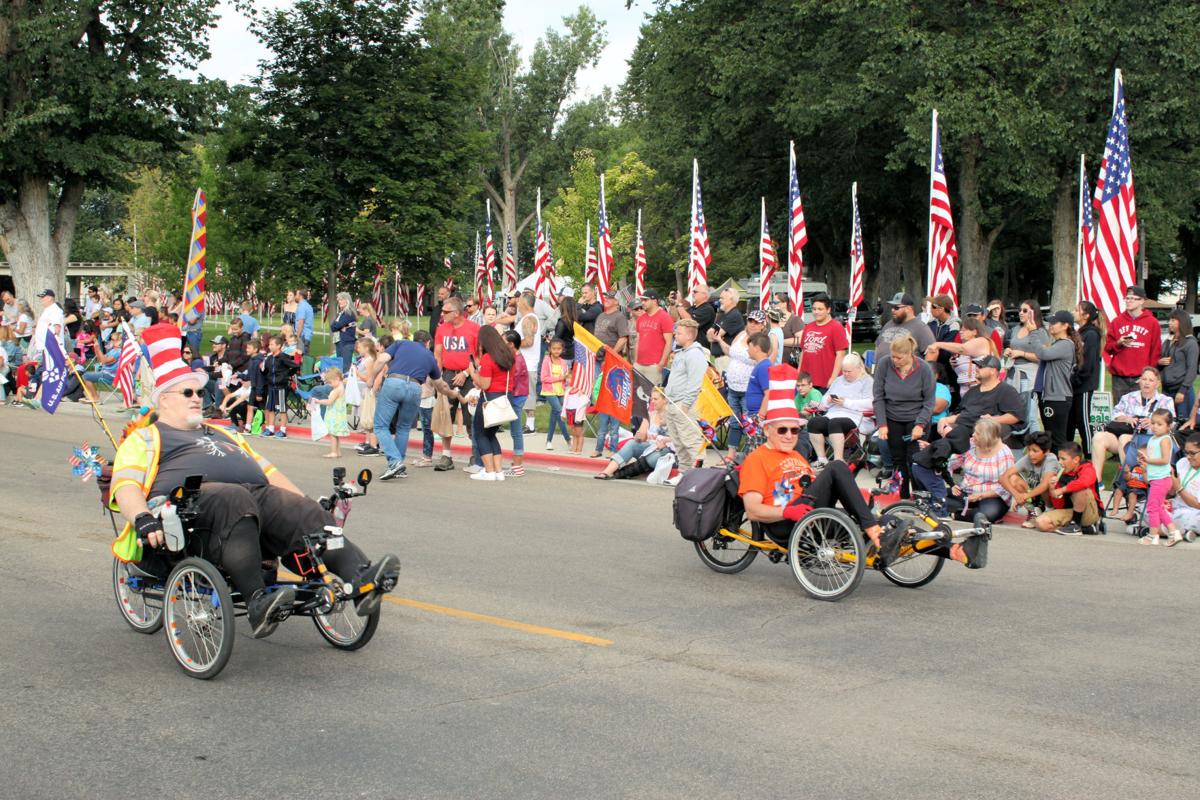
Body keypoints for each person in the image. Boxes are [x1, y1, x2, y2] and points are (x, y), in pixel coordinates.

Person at [109, 323, 399, 638]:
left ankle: (362, 580)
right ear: (164, 400)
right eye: (188, 392)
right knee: (237, 498)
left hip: (252, 497)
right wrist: (141, 518)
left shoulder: (223, 433)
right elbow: (125, 485)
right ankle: (258, 602)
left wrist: (303, 502)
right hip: (193, 510)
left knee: (305, 512)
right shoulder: (146, 437)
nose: (197, 398)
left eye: (199, 391)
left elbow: (269, 472)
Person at [738, 379, 910, 564]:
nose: (789, 435)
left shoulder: (795, 455)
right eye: (782, 430)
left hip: (813, 513)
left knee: (887, 521)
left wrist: (847, 474)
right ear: (767, 429)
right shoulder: (756, 459)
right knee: (836, 466)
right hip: (786, 522)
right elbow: (753, 511)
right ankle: (872, 529)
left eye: (795, 430)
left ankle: (942, 546)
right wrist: (787, 512)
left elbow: (816, 487)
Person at [912, 355, 1024, 508]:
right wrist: (946, 420)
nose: (976, 369)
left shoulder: (1006, 390)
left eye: (981, 366)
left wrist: (994, 420)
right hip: (961, 428)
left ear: (993, 371)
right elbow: (963, 414)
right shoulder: (973, 391)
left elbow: (1015, 416)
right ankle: (930, 485)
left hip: (981, 432)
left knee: (952, 439)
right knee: (929, 438)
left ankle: (941, 488)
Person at [372, 332, 445, 481]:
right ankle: (398, 466)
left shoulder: (401, 343)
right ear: (428, 343)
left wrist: (372, 378)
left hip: (394, 382)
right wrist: (450, 393)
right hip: (415, 387)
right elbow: (439, 383)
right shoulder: (430, 356)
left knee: (380, 426)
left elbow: (381, 359)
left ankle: (395, 461)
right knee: (403, 427)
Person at [1091, 366, 1173, 493]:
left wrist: (1152, 422)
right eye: (1144, 379)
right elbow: (1115, 414)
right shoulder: (1128, 397)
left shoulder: (1165, 400)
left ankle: (1129, 480)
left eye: (1151, 380)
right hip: (1127, 433)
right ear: (1139, 381)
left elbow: (1171, 424)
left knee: (1125, 439)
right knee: (1099, 437)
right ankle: (1097, 482)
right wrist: (1127, 419)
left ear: (1157, 383)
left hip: (1149, 440)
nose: (1146, 382)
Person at [1006, 310, 1079, 452]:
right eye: (1050, 322)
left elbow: (1042, 354)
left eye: (1055, 323)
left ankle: (1061, 468)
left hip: (1057, 397)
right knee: (1051, 437)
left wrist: (1033, 332)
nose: (1051, 325)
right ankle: (1054, 468)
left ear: (1065, 326)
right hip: (1051, 396)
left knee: (1056, 438)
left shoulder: (1065, 344)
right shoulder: (1058, 343)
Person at [873, 333, 936, 498]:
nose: (895, 361)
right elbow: (878, 397)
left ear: (910, 354)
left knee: (914, 459)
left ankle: (919, 495)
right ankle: (903, 494)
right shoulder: (884, 364)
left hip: (916, 417)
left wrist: (920, 424)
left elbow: (929, 401)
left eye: (899, 358)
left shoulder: (924, 369)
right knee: (898, 459)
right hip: (893, 417)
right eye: (893, 356)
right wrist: (882, 424)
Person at [924, 417, 1015, 523]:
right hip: (966, 492)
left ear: (986, 437)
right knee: (931, 496)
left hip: (991, 496)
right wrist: (935, 453)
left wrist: (980, 496)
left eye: (977, 433)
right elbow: (952, 463)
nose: (973, 435)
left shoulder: (1004, 453)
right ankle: (965, 511)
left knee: (987, 513)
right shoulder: (971, 444)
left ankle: (956, 514)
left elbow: (1005, 487)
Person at [433, 296, 482, 471]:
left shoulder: (474, 329)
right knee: (446, 414)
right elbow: (438, 354)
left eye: (446, 312)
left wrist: (466, 373)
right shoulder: (441, 329)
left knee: (471, 415)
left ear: (456, 313)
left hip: (468, 376)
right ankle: (446, 455)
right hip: (447, 374)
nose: (442, 314)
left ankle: (475, 455)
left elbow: (478, 358)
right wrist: (437, 377)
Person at [660, 318, 710, 485]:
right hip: (673, 402)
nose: (675, 335)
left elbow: (695, 382)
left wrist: (686, 405)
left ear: (689, 336)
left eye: (679, 332)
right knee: (679, 442)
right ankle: (684, 473)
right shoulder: (682, 353)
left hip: (685, 404)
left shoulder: (695, 354)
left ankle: (697, 476)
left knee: (691, 441)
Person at [713, 309, 767, 457]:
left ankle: (751, 454)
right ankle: (731, 455)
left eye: (757, 322)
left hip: (748, 389)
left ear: (763, 325)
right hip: (733, 386)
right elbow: (730, 352)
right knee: (734, 422)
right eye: (750, 321)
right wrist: (719, 340)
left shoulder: (762, 340)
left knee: (749, 423)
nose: (753, 325)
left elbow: (763, 361)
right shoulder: (741, 334)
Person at [462, 325, 513, 481]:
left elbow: (484, 384)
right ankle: (498, 471)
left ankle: (489, 471)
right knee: (492, 434)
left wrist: (473, 373)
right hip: (504, 397)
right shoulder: (508, 356)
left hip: (489, 398)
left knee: (481, 434)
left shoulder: (488, 358)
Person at [807, 352, 873, 466]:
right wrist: (828, 400)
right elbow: (824, 401)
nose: (845, 374)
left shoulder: (867, 381)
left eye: (849, 371)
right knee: (814, 422)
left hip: (856, 417)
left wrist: (846, 402)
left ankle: (838, 460)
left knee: (835, 423)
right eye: (844, 371)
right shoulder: (839, 380)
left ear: (858, 368)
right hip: (834, 413)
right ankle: (822, 458)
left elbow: (871, 404)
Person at [595, 389, 673, 480]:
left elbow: (678, 439)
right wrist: (639, 436)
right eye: (651, 399)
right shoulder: (650, 415)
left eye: (655, 399)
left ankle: (619, 474)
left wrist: (665, 441)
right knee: (632, 443)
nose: (652, 402)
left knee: (652, 458)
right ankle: (607, 472)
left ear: (665, 400)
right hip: (650, 447)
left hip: (666, 450)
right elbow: (641, 436)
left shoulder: (673, 416)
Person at [1104, 285, 1163, 401]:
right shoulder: (1117, 321)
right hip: (1119, 377)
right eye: (1127, 298)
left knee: (1140, 411)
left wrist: (1148, 375)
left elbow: (1155, 351)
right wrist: (1119, 343)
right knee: (1120, 411)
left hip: (1141, 377)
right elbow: (1108, 348)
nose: (1129, 301)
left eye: (1132, 298)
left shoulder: (1152, 322)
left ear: (1142, 301)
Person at [1136, 408, 1185, 546]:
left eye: (1159, 424)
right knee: (1158, 508)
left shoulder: (1165, 440)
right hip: (1156, 478)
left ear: (1168, 426)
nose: (1155, 427)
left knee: (1152, 507)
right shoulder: (1153, 439)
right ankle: (1174, 532)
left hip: (1162, 479)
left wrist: (1148, 460)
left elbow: (1164, 460)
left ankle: (1153, 535)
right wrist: (1145, 461)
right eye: (1153, 423)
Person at [1034, 441, 1102, 535]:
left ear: (1076, 460)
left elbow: (1083, 483)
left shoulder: (1087, 468)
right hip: (1071, 511)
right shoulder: (1061, 474)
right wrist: (1052, 489)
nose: (1059, 462)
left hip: (1090, 513)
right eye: (1059, 458)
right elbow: (1059, 506)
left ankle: (1076, 525)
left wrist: (1061, 490)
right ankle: (1085, 529)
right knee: (1041, 523)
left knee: (1079, 488)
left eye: (1063, 459)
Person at [1000, 431, 1060, 529]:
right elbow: (1003, 477)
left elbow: (1044, 485)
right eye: (1029, 450)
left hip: (1050, 496)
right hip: (1034, 496)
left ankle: (1049, 510)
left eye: (1035, 451)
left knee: (1047, 481)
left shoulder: (1051, 459)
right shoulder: (1028, 458)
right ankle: (1033, 512)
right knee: (1013, 479)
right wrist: (1017, 495)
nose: (1031, 454)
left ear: (1046, 451)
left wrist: (1024, 497)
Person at [1067, 300, 1104, 459]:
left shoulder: (1091, 334)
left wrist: (1077, 379)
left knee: (1083, 421)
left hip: (1083, 385)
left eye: (1077, 310)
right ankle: (1068, 452)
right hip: (1074, 384)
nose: (1074, 312)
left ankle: (1090, 454)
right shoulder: (1079, 332)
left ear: (1086, 315)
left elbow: (1087, 362)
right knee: (1070, 420)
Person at [1005, 300, 1049, 432]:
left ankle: (1036, 444)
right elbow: (1012, 347)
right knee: (1013, 410)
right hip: (1013, 373)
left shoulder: (1040, 332)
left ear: (1033, 313)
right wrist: (1008, 352)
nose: (1021, 313)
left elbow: (1043, 356)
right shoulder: (1016, 329)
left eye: (1025, 310)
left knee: (1030, 413)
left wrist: (1022, 353)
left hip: (1030, 374)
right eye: (1020, 310)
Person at [927, 316, 997, 394]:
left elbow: (962, 349)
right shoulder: (964, 348)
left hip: (979, 388)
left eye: (964, 330)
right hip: (965, 390)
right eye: (961, 329)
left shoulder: (982, 341)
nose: (960, 332)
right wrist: (954, 365)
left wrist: (938, 344)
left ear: (974, 332)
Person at [793, 293, 848, 392]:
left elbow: (840, 355)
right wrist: (799, 372)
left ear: (828, 310)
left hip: (825, 382)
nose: (816, 312)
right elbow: (803, 352)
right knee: (804, 407)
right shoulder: (808, 327)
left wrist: (833, 378)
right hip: (806, 382)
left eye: (820, 309)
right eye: (814, 309)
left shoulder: (836, 327)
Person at [873, 292, 935, 365]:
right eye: (892, 307)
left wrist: (925, 373)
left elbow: (932, 352)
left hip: (905, 374)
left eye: (896, 308)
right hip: (882, 372)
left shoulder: (921, 328)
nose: (892, 310)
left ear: (908, 308)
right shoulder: (889, 324)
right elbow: (878, 345)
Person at [1159, 308, 1198, 421]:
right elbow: (1160, 362)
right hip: (1166, 390)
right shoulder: (1167, 341)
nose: (1169, 323)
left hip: (1181, 390)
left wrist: (1183, 390)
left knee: (1182, 423)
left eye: (1173, 320)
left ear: (1182, 321)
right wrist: (1159, 362)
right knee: (1166, 422)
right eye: (1169, 320)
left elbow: (1192, 369)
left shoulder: (1190, 343)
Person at [501, 330, 530, 477]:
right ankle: (516, 463)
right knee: (514, 431)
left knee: (516, 431)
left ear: (511, 344)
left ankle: (518, 466)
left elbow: (510, 381)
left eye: (504, 342)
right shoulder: (515, 357)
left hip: (517, 397)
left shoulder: (517, 360)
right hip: (517, 395)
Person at [259, 336, 298, 438]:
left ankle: (283, 430)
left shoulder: (283, 356)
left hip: (281, 386)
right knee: (270, 408)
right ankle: (270, 429)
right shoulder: (269, 358)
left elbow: (296, 366)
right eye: (269, 344)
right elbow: (266, 371)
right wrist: (262, 370)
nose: (270, 346)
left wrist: (286, 374)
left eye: (272, 344)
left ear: (279, 346)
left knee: (282, 408)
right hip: (271, 386)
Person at [633, 290, 674, 385]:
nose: (642, 303)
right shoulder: (640, 319)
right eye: (642, 300)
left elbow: (669, 342)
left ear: (654, 301)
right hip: (639, 364)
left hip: (655, 365)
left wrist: (661, 363)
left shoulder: (664, 317)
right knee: (639, 395)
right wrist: (635, 362)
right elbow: (638, 341)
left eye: (645, 300)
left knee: (653, 396)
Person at [352, 338, 382, 457]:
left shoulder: (369, 360)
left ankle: (372, 444)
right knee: (365, 416)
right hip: (362, 390)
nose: (357, 349)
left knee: (369, 416)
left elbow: (370, 378)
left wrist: (357, 373)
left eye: (359, 347)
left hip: (368, 391)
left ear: (366, 348)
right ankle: (368, 441)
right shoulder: (364, 359)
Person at [540, 339, 571, 449]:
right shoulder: (546, 360)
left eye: (559, 349)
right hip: (549, 391)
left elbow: (566, 378)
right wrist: (559, 378)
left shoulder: (563, 362)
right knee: (559, 412)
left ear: (562, 350)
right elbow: (543, 378)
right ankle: (568, 439)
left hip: (561, 391)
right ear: (550, 349)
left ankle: (549, 441)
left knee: (554, 416)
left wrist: (568, 380)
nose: (556, 351)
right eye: (554, 349)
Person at [1169, 433, 1200, 540]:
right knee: (1149, 507)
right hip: (1176, 507)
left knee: (1193, 518)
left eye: (1192, 453)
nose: (1188, 457)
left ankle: (1160, 530)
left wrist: (1179, 488)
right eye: (1186, 452)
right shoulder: (1182, 462)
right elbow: (1171, 493)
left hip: (1194, 512)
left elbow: (1198, 505)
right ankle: (1185, 532)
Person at [313, 366, 349, 458]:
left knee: (333, 434)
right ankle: (338, 451)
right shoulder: (341, 387)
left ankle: (333, 452)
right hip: (339, 414)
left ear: (336, 379)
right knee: (336, 434)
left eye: (330, 382)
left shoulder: (337, 390)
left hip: (334, 414)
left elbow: (329, 402)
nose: (329, 385)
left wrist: (318, 401)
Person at [29, 288, 65, 362]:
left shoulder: (55, 310)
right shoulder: (48, 309)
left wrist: (53, 346)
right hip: (45, 347)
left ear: (49, 298)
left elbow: (57, 328)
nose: (41, 299)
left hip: (51, 347)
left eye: (43, 297)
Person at [331, 293, 357, 370]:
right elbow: (332, 326)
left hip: (346, 342)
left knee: (345, 366)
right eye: (339, 300)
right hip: (339, 341)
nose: (339, 301)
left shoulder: (349, 312)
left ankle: (346, 381)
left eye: (342, 299)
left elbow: (337, 325)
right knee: (340, 365)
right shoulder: (340, 313)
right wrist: (339, 327)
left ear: (347, 300)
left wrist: (338, 326)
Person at [294, 289, 315, 355]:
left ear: (300, 296)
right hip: (307, 335)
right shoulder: (308, 306)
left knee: (301, 358)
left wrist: (297, 336)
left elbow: (301, 322)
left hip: (303, 336)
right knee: (305, 357)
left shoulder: (302, 306)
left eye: (296, 295)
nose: (295, 296)